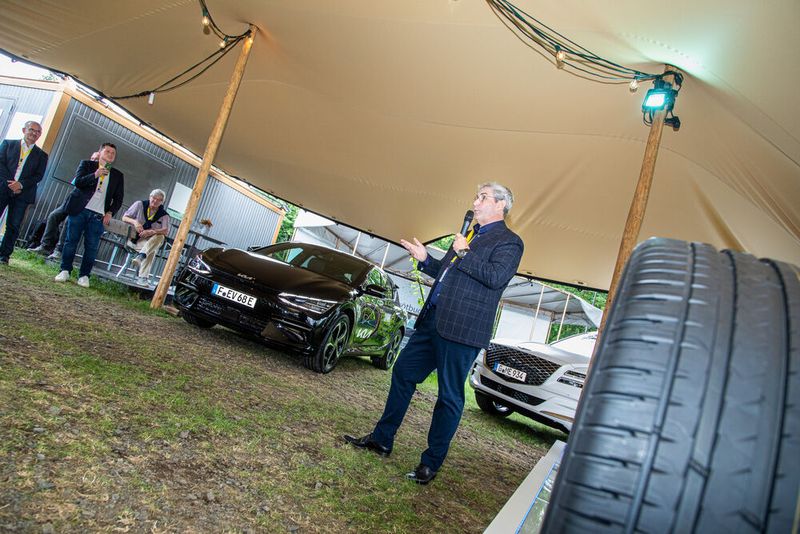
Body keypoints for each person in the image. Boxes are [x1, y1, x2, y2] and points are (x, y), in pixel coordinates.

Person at [344, 182, 524, 485]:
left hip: (462, 331)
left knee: (450, 396)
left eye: (482, 197)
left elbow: (494, 278)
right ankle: (382, 439)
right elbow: (449, 275)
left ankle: (431, 463)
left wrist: (464, 252)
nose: (475, 202)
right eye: (476, 196)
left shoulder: (509, 242)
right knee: (403, 372)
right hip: (433, 322)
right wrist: (426, 259)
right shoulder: (469, 236)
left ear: (500, 205)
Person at [54, 143, 124, 287]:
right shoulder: (86, 165)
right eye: (108, 151)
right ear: (100, 152)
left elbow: (118, 198)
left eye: (113, 153)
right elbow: (78, 182)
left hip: (98, 215)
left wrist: (110, 212)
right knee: (71, 241)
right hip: (80, 209)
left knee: (91, 247)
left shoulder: (117, 175)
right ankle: (65, 270)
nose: (110, 154)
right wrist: (95, 175)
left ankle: (84, 275)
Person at [30, 151, 99, 259]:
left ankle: (59, 250)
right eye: (92, 158)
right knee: (53, 216)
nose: (93, 161)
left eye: (97, 159)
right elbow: (78, 182)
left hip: (84, 206)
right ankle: (45, 246)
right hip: (71, 200)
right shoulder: (85, 167)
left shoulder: (102, 175)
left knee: (68, 222)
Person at [0, 121, 48, 264]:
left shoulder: (42, 155)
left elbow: (38, 176)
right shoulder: (8, 144)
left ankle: (4, 255)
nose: (34, 133)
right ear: (24, 130)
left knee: (14, 225)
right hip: (3, 188)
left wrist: (20, 184)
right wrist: (11, 183)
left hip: (23, 193)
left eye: (38, 131)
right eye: (31, 130)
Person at [121, 188, 170, 285]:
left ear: (162, 202)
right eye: (154, 198)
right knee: (151, 250)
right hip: (134, 240)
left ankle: (141, 256)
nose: (155, 201)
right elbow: (124, 217)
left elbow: (166, 231)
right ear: (150, 197)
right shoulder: (139, 204)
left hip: (148, 242)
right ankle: (143, 278)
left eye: (158, 200)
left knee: (160, 237)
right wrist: (135, 222)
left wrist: (151, 232)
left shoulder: (164, 215)